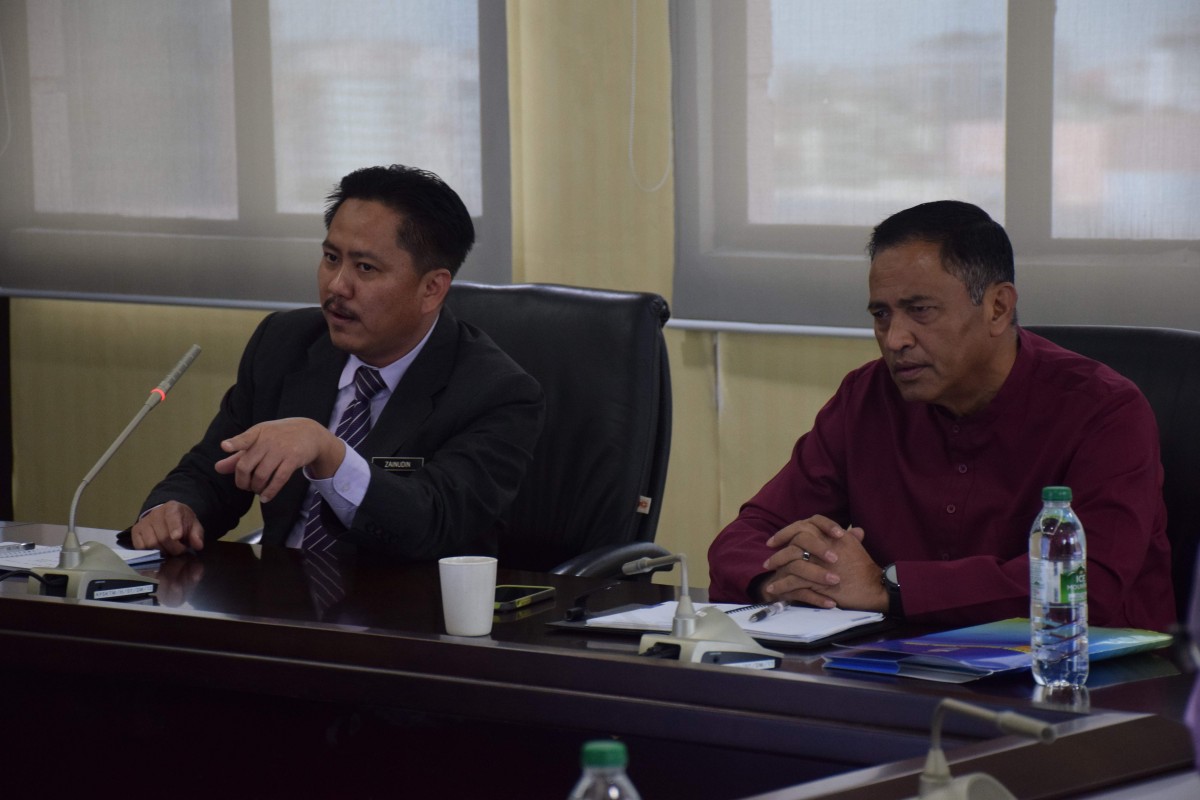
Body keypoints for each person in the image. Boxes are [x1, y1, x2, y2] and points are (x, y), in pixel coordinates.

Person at [708, 200, 1174, 631]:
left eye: (920, 311)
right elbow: (746, 537)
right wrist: (778, 581)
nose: (895, 339)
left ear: (998, 308)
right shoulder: (866, 397)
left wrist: (890, 589)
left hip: (1081, 676)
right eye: (881, 315)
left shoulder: (1104, 411)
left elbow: (1090, 584)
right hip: (897, 670)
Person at [132, 165, 544, 561]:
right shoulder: (284, 343)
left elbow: (433, 522)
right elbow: (213, 470)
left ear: (432, 289)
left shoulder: (497, 393)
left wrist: (330, 454)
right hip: (279, 595)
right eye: (331, 258)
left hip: (408, 604)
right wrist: (174, 508)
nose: (336, 285)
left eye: (365, 267)